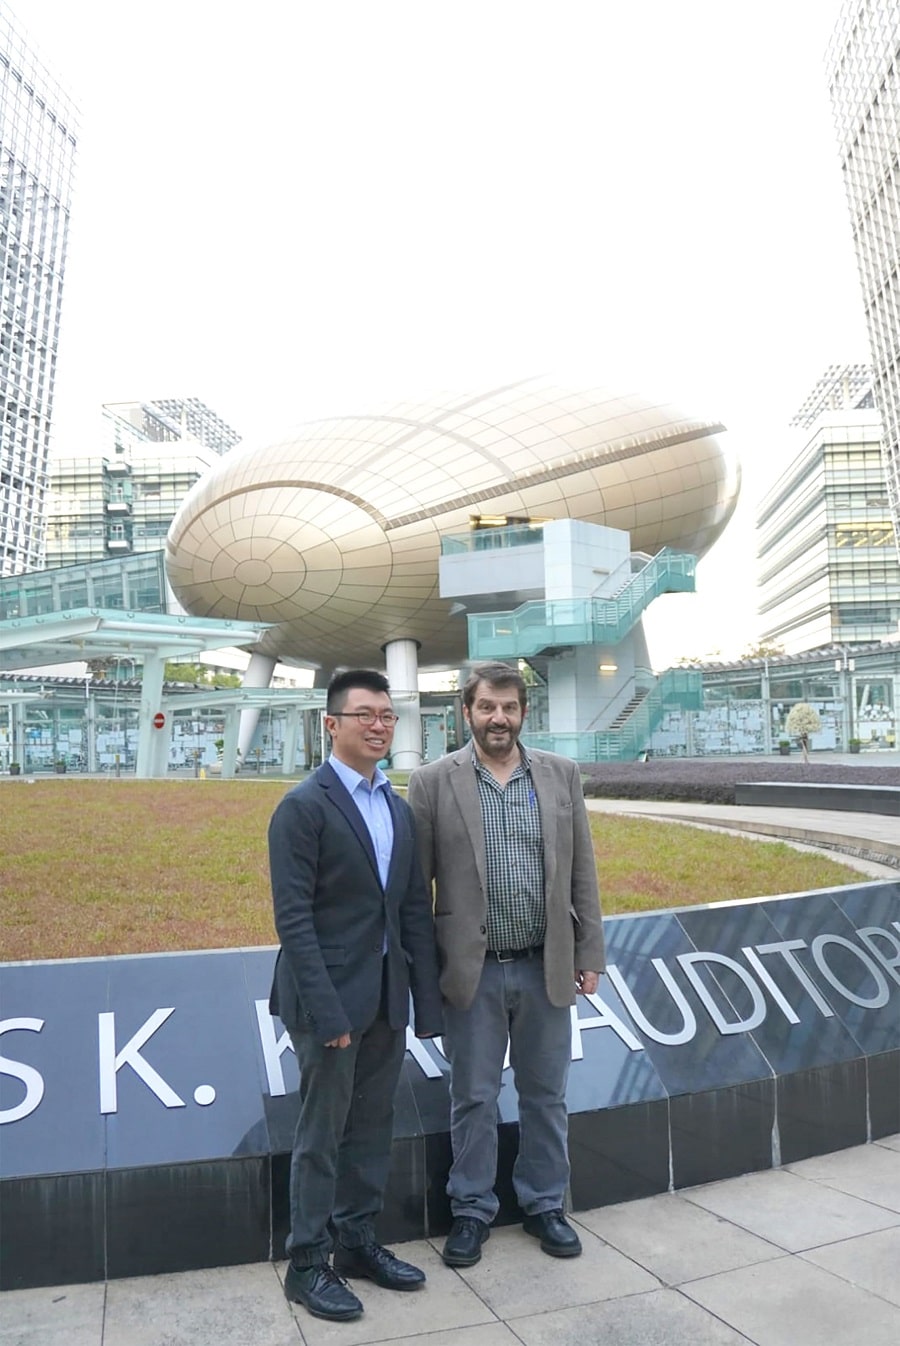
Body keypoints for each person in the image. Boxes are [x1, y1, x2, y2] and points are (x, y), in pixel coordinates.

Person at [408, 661, 605, 1267]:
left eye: (510, 707)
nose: (499, 718)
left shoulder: (560, 775)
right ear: (466, 712)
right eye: (487, 707)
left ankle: (545, 1203)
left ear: (524, 712)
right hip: (472, 971)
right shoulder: (433, 782)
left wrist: (589, 953)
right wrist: (423, 975)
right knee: (472, 1095)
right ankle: (471, 1209)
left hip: (546, 966)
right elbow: (417, 891)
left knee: (546, 1094)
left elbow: (582, 872)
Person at [268, 669, 443, 1323]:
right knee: (322, 1135)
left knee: (373, 1128)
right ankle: (307, 1263)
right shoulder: (302, 807)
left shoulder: (396, 808)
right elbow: (294, 920)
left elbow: (412, 913)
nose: (379, 725)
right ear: (331, 724)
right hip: (329, 1007)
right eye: (365, 714)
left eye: (388, 716)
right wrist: (327, 1011)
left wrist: (424, 1003)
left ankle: (355, 1242)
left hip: (386, 1000)